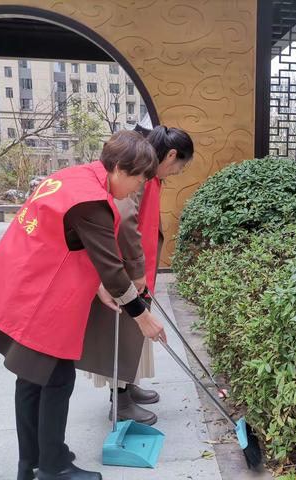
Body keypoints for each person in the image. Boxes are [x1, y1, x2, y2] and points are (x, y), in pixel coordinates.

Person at [0, 130, 167, 480]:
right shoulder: (91, 202)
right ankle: (53, 468)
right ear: (121, 169)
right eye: (139, 179)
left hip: (21, 284)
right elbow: (112, 268)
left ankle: (32, 462)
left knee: (31, 379)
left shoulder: (71, 178)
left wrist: (95, 287)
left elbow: (67, 239)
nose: (139, 187)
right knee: (56, 378)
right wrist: (143, 317)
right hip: (38, 297)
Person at [76, 125, 194, 424]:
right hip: (127, 273)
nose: (177, 172)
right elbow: (127, 221)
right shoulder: (141, 175)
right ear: (170, 155)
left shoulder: (148, 175)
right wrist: (137, 272)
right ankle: (121, 401)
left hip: (139, 271)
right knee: (123, 335)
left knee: (132, 337)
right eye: (180, 166)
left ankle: (128, 387)